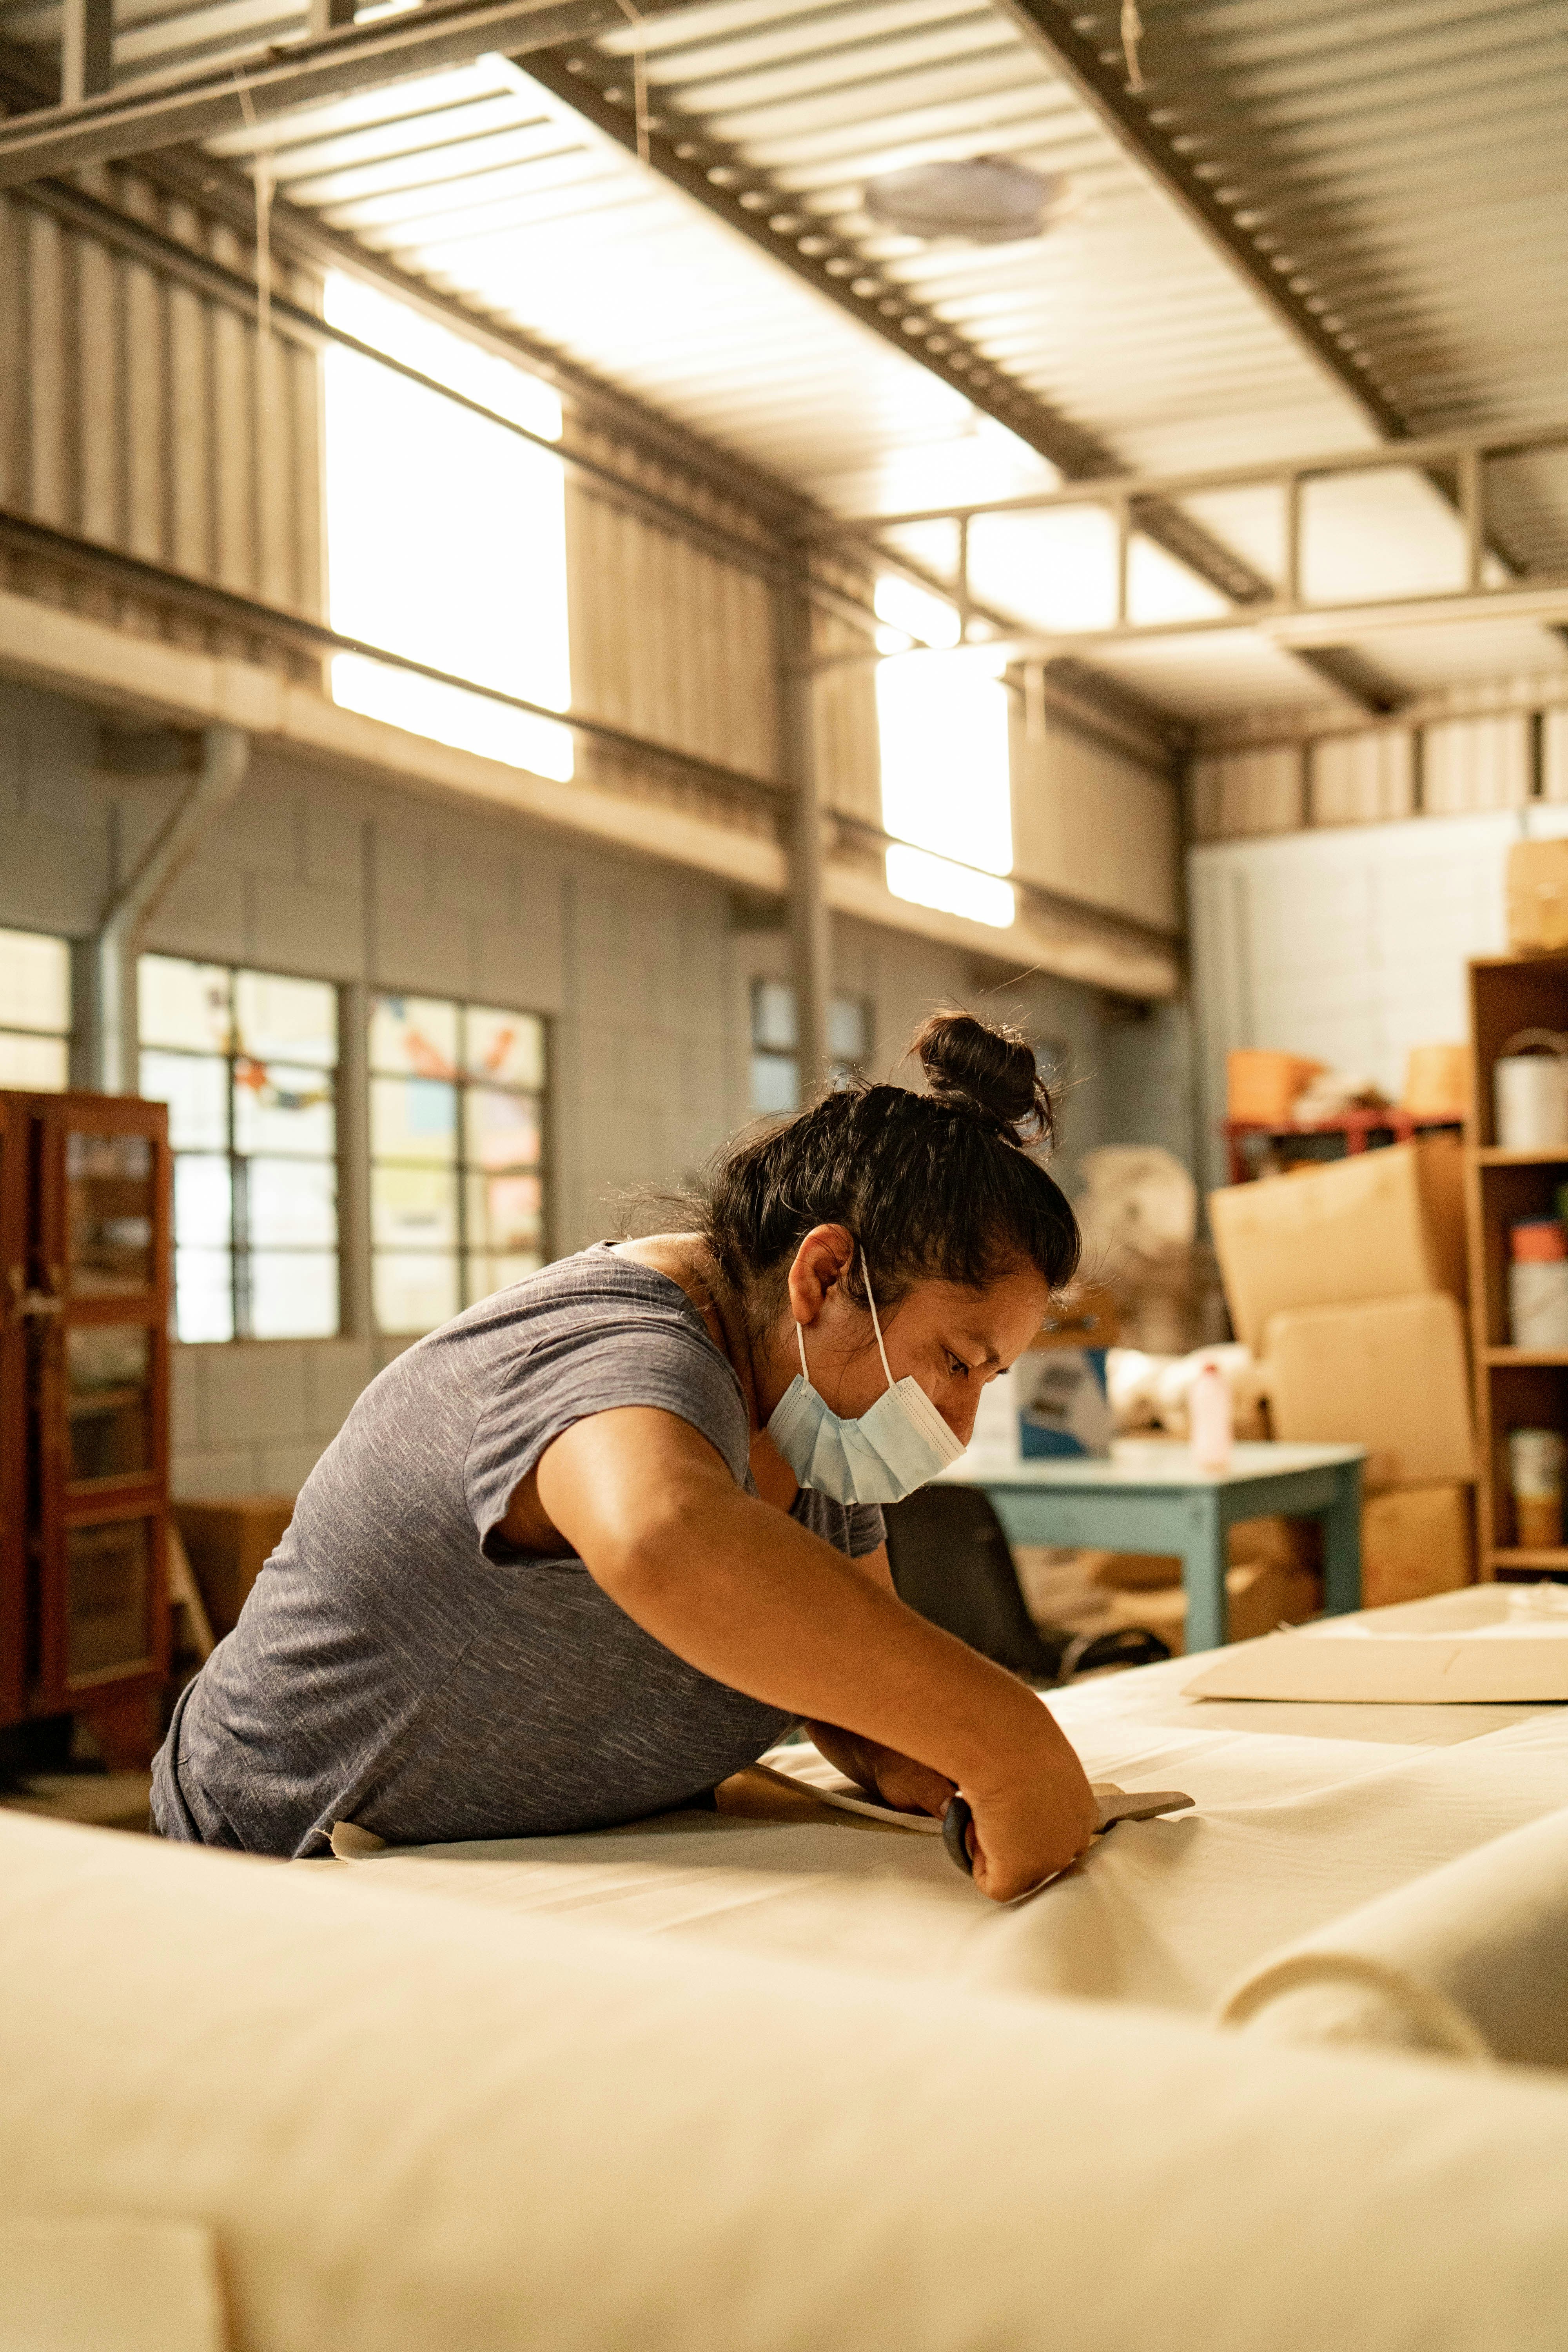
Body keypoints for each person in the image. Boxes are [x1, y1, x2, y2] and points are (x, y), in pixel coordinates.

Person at [152, 1010, 1097, 1900]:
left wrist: (932, 1764)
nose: (956, 1423)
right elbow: (663, 1534)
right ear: (822, 1277)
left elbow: (852, 1690)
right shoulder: (620, 1351)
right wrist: (1006, 1740)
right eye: (955, 1363)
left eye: (987, 1378)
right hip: (272, 1881)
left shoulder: (812, 1413)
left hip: (513, 1888)